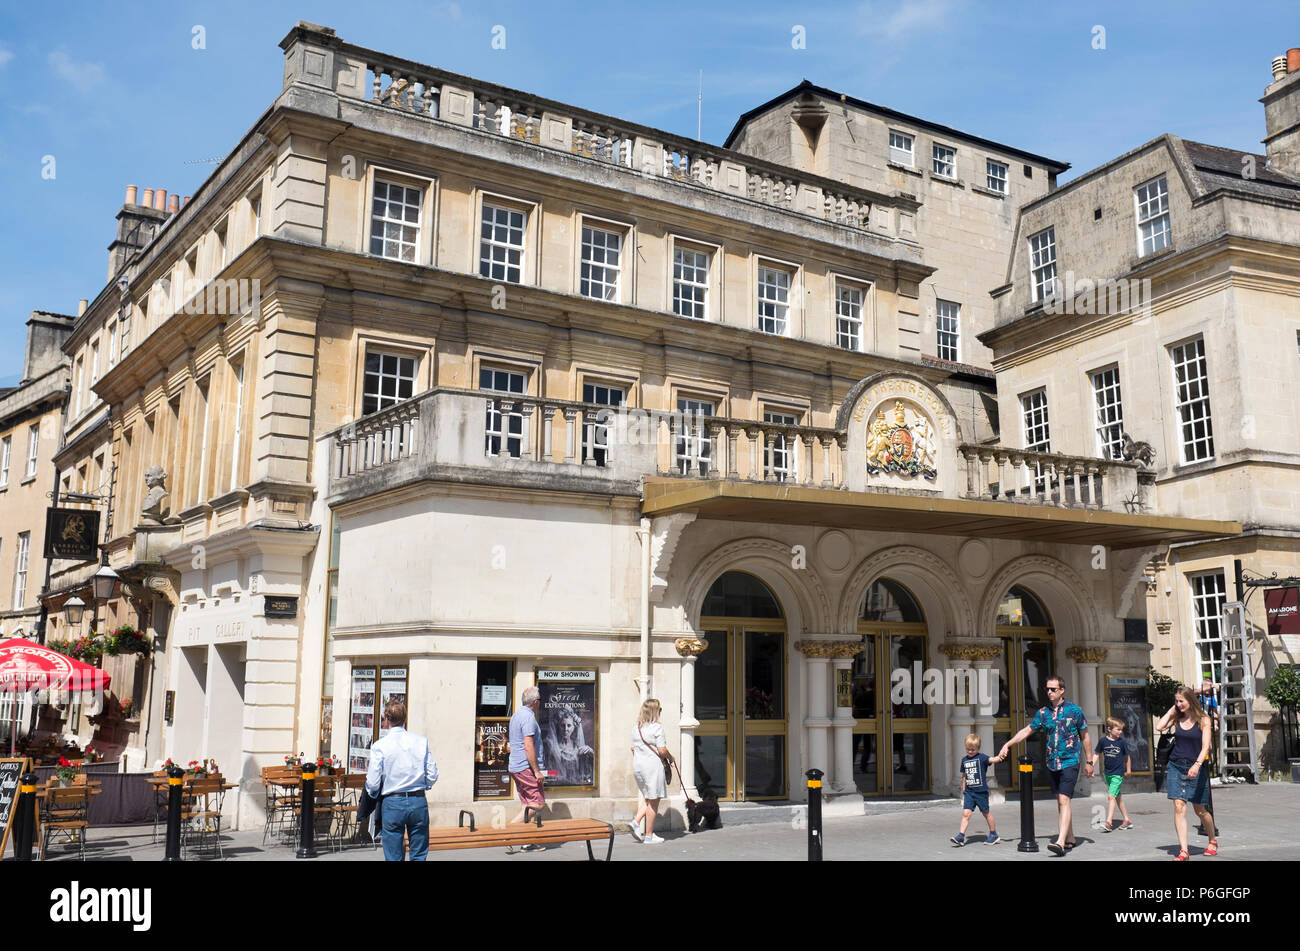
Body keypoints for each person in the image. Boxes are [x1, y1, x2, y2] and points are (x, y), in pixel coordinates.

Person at [999, 675, 1094, 856]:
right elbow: (1027, 730)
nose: (1049, 692)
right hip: (1052, 762)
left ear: (1062, 690)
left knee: (1063, 800)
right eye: (1047, 689)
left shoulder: (1074, 711)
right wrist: (1008, 744)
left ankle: (1059, 842)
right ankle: (1071, 837)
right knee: (1061, 801)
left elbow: (1085, 736)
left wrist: (1090, 761)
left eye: (1053, 689)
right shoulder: (1043, 713)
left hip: (1070, 761)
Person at [364, 700, 438, 861]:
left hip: (393, 801)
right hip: (417, 800)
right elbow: (432, 774)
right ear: (405, 718)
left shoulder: (380, 746)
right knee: (419, 855)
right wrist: (422, 785)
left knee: (394, 856)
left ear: (386, 719)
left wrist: (373, 793)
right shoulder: (420, 741)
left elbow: (373, 782)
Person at [1155, 685, 1218, 860]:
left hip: (1196, 766)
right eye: (1176, 701)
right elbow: (1160, 726)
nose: (1178, 704)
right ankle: (1184, 850)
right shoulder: (1177, 717)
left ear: (1190, 701)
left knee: (1200, 810)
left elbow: (1206, 746)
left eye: (1181, 701)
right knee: (1178, 806)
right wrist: (1173, 709)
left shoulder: (1204, 719)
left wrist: (1197, 765)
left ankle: (1212, 840)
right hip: (1176, 765)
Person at [630, 698, 674, 844]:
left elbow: (632, 749)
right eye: (660, 710)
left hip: (638, 766)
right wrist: (671, 757)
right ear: (656, 711)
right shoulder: (657, 727)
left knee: (649, 798)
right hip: (652, 767)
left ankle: (636, 822)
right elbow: (662, 750)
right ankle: (648, 836)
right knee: (654, 801)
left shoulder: (636, 727)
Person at [508, 685, 546, 851]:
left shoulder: (516, 715)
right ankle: (509, 832)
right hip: (526, 768)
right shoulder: (529, 718)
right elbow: (528, 745)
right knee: (538, 803)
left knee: (527, 804)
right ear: (536, 702)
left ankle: (526, 842)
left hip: (516, 766)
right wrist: (536, 770)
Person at [951, 734, 1006, 846]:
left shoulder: (982, 758)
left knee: (986, 813)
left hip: (981, 792)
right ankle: (961, 836)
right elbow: (964, 775)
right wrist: (964, 789)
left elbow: (993, 759)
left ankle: (993, 834)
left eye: (973, 749)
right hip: (969, 792)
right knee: (966, 814)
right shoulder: (964, 760)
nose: (970, 751)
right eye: (968, 749)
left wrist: (1000, 756)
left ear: (978, 748)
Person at [1091, 716, 1132, 832]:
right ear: (1109, 729)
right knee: (1117, 797)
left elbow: (1127, 757)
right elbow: (1096, 754)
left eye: (1121, 730)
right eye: (1118, 729)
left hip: (1118, 774)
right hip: (1108, 773)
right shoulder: (1103, 741)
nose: (1120, 732)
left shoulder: (1122, 742)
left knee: (1111, 796)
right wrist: (1091, 766)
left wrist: (1128, 770)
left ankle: (1109, 822)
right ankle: (1127, 820)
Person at [543, 703, 594, 786]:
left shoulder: (578, 747)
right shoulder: (551, 747)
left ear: (574, 727)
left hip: (577, 788)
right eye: (562, 725)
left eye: (569, 726)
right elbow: (545, 772)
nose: (565, 729)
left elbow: (587, 773)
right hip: (556, 786)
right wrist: (557, 776)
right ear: (558, 726)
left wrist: (591, 753)